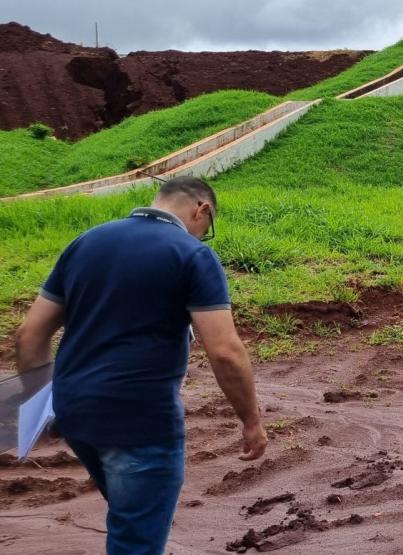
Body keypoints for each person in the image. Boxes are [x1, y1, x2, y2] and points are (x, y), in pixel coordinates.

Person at [13, 176, 268, 555]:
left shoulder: (86, 242)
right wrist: (251, 421)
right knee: (136, 542)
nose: (204, 235)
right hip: (141, 423)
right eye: (208, 226)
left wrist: (42, 407)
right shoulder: (192, 254)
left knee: (131, 519)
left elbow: (29, 336)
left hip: (76, 415)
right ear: (202, 210)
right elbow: (225, 352)